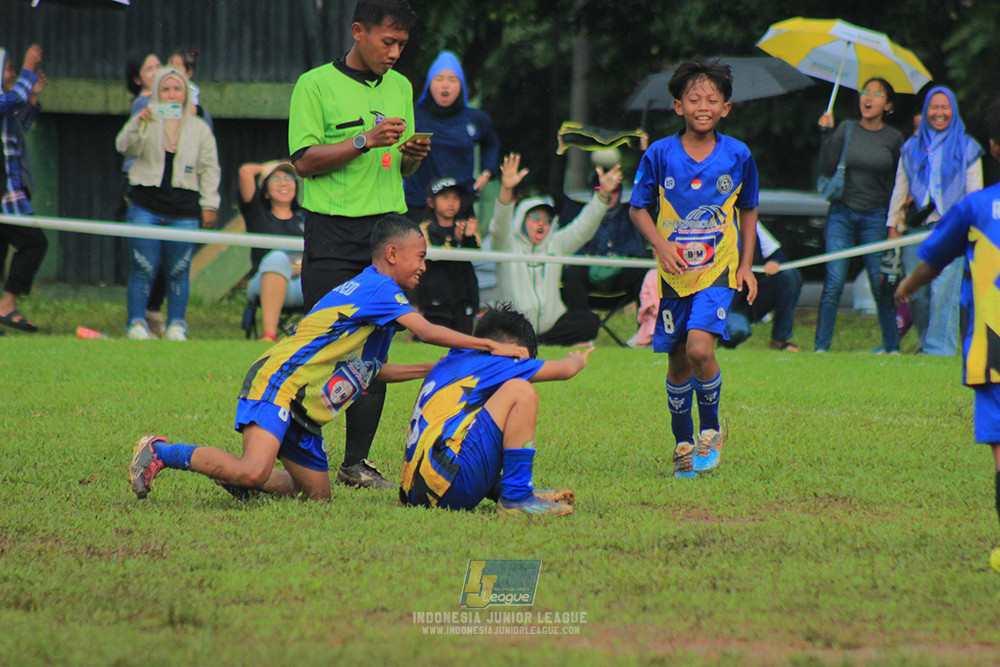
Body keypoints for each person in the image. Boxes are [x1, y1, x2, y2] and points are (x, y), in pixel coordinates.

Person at [128, 215, 528, 501]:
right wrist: (488, 347)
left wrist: (435, 370)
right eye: (419, 256)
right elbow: (424, 331)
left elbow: (371, 372)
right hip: (280, 382)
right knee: (254, 469)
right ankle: (160, 451)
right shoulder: (380, 290)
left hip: (306, 408)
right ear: (392, 253)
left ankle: (241, 478)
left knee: (315, 497)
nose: (424, 266)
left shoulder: (379, 307)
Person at [288, 0, 430, 489]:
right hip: (331, 232)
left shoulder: (401, 87)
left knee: (374, 348)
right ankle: (300, 450)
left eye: (401, 46)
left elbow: (403, 169)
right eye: (387, 42)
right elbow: (303, 162)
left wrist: (410, 155)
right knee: (325, 347)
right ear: (358, 32)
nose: (394, 53)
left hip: (385, 232)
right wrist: (365, 140)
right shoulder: (314, 85)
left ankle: (356, 463)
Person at [628, 56, 759, 479]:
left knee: (700, 348)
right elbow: (637, 210)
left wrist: (746, 265)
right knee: (678, 361)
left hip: (718, 270)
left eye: (713, 99)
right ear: (677, 105)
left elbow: (749, 210)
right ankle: (683, 442)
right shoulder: (659, 154)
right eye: (694, 98)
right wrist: (661, 245)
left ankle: (711, 431)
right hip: (673, 275)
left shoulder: (738, 155)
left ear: (726, 108)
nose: (703, 105)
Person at [893, 97, 1000, 573]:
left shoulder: (976, 207)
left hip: (991, 346)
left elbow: (931, 262)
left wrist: (905, 287)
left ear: (993, 147)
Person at [400, 302, 591, 516]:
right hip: (451, 490)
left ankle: (507, 489)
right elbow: (566, 370)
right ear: (510, 348)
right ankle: (516, 496)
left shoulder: (451, 359)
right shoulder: (499, 360)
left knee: (471, 426)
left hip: (415, 492)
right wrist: (577, 360)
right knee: (520, 391)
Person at [116, 66, 220, 341]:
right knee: (143, 267)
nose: (172, 94)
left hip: (184, 209)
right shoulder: (145, 119)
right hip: (144, 205)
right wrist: (140, 121)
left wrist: (210, 204)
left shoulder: (200, 127)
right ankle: (136, 324)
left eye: (177, 89)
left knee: (179, 270)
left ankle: (177, 325)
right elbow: (124, 147)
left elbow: (210, 169)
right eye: (165, 89)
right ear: (156, 93)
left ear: (186, 93)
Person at [887, 86, 983, 356]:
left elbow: (974, 190)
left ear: (953, 111)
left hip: (953, 229)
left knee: (945, 292)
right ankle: (926, 343)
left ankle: (937, 350)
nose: (939, 113)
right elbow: (900, 187)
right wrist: (892, 225)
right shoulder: (911, 148)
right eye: (934, 107)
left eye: (945, 107)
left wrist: (973, 226)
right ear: (926, 110)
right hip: (916, 229)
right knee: (916, 293)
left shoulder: (967, 146)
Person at [490, 152, 621, 345]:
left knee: (589, 323)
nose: (542, 224)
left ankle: (537, 341)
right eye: (535, 218)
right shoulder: (506, 244)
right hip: (512, 325)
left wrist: (602, 195)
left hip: (550, 326)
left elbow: (583, 228)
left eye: (547, 220)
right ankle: (526, 340)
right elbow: (499, 225)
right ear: (521, 219)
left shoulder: (556, 244)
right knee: (497, 326)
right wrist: (506, 190)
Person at [813, 78, 904, 354]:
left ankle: (892, 347)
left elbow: (900, 180)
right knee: (834, 282)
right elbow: (827, 166)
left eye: (877, 94)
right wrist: (826, 134)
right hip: (842, 212)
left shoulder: (894, 138)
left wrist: (895, 219)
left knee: (880, 283)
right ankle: (821, 348)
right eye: (866, 92)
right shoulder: (846, 128)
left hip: (876, 215)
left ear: (887, 105)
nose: (869, 97)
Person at [403, 50, 500, 220]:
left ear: (461, 86)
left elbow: (491, 143)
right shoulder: (412, 115)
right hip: (418, 204)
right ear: (429, 84)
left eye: (452, 79)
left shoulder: (475, 118)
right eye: (439, 79)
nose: (445, 85)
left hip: (459, 206)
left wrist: (487, 172)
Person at [558, 147, 651, 313]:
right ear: (594, 190)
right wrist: (561, 152)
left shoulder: (633, 212)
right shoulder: (578, 211)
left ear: (621, 191)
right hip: (586, 277)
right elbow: (556, 191)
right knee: (571, 272)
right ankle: (581, 332)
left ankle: (645, 332)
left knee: (644, 267)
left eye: (614, 190)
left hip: (622, 277)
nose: (609, 193)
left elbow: (646, 187)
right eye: (602, 188)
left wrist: (642, 151)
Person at [0, 44, 48, 334]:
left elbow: (19, 125)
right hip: (6, 196)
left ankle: (5, 306)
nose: (13, 73)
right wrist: (30, 68)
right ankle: (7, 305)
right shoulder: (6, 100)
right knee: (35, 242)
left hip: (11, 191)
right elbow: (12, 101)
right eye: (8, 68)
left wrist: (33, 97)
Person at [123, 50, 167, 336]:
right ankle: (141, 318)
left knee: (163, 260)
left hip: (168, 192)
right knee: (146, 262)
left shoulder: (168, 103)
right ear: (138, 79)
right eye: (149, 69)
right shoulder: (144, 104)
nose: (156, 72)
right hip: (144, 188)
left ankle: (150, 313)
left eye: (159, 66)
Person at [238, 160, 305, 342]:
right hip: (264, 282)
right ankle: (268, 335)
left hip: (302, 283)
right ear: (265, 192)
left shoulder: (306, 217)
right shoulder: (257, 213)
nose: (283, 183)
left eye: (288, 178)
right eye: (275, 179)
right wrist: (271, 166)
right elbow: (245, 171)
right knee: (276, 259)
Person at [720, 222, 803, 351]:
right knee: (736, 331)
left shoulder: (750, 223)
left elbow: (777, 255)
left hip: (748, 299)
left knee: (789, 276)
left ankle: (780, 340)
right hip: (721, 302)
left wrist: (773, 262)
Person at [413, 177, 480, 335]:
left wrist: (466, 238)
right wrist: (455, 240)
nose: (451, 203)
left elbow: (476, 252)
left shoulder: (468, 228)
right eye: (445, 198)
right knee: (436, 340)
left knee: (464, 344)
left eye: (456, 198)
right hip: (434, 296)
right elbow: (433, 255)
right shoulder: (424, 229)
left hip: (463, 296)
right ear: (431, 202)